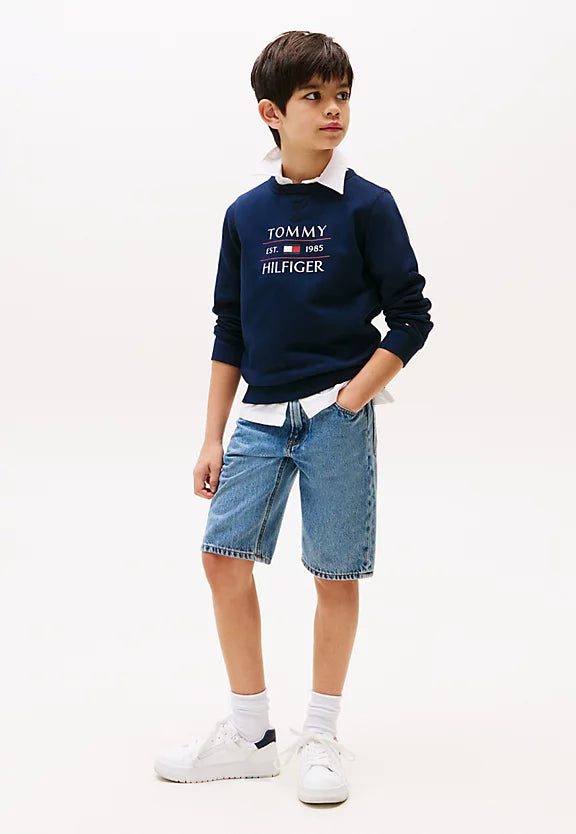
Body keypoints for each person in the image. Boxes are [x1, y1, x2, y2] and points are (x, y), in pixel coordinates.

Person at [154, 29, 434, 804]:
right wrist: (212, 435)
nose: (333, 109)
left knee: (333, 573)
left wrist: (353, 397)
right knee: (222, 558)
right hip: (258, 419)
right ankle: (251, 733)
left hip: (334, 416)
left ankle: (320, 734)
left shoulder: (368, 205)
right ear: (271, 113)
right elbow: (230, 329)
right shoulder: (246, 214)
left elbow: (411, 317)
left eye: (341, 94)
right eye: (314, 96)